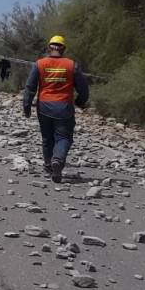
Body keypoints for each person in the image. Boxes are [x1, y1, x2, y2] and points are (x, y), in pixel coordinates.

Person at [23, 35, 89, 183]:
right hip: (64, 108)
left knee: (47, 138)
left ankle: (48, 166)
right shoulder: (72, 65)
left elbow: (30, 88)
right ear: (63, 49)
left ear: (48, 48)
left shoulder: (39, 64)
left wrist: (27, 106)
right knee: (64, 138)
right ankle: (57, 160)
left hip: (44, 107)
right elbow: (83, 88)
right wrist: (80, 101)